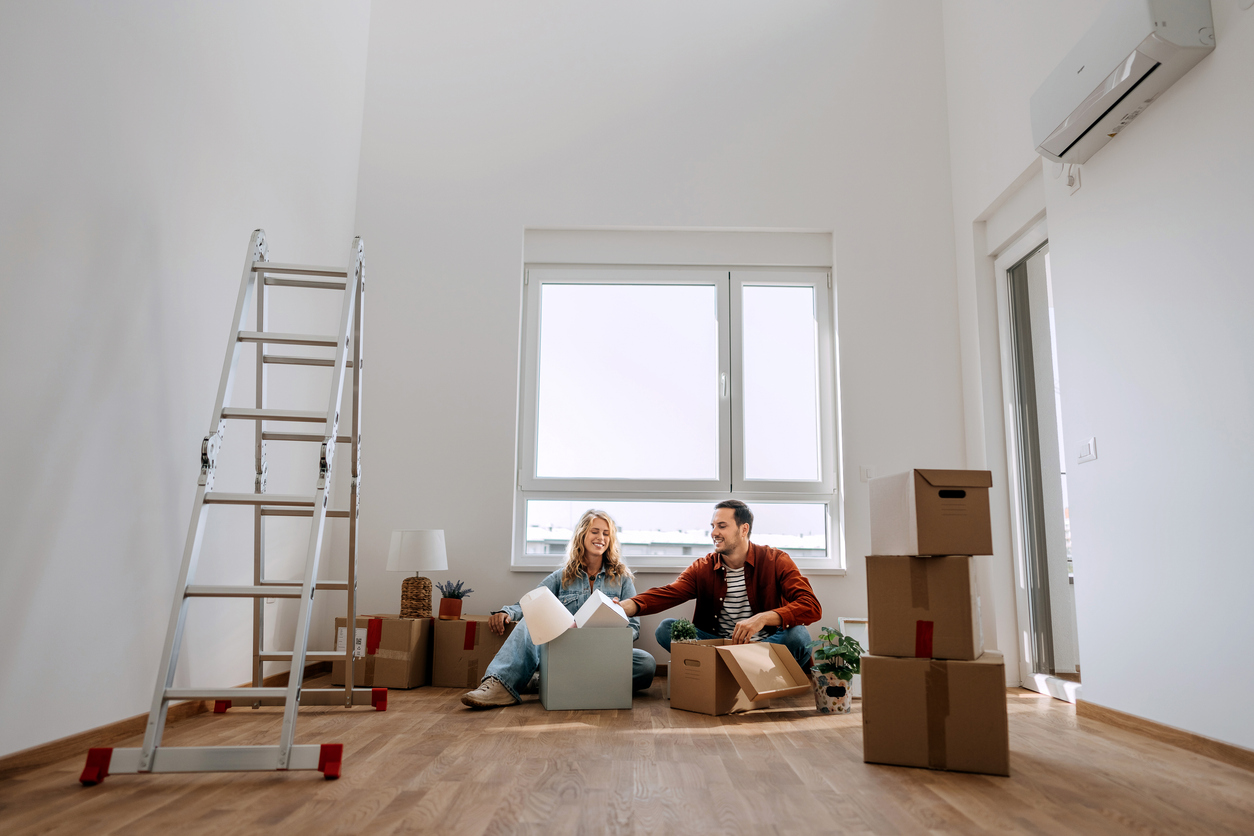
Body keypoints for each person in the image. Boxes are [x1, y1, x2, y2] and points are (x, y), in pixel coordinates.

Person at [461, 509, 656, 708]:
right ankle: (500, 685)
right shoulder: (562, 576)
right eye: (595, 531)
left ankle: (543, 681)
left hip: (604, 653)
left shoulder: (623, 579)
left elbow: (634, 626)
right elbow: (533, 602)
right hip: (565, 650)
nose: (601, 538)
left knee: (646, 664)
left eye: (606, 533)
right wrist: (506, 612)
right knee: (531, 618)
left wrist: (605, 638)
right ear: (583, 535)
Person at [618, 500, 821, 667]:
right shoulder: (703, 567)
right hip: (719, 647)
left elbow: (811, 606)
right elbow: (669, 593)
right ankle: (741, 669)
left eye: (722, 526)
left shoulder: (775, 560)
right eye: (713, 526)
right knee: (666, 629)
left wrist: (763, 618)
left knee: (799, 636)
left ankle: (731, 669)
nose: (714, 532)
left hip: (764, 647)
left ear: (744, 529)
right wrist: (625, 607)